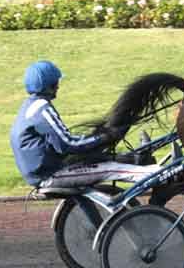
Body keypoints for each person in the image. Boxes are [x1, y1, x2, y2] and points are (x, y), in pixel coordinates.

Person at [10, 60, 161, 189]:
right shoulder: (42, 109)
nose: (58, 86)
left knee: (100, 158)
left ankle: (139, 159)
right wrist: (103, 137)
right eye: (56, 83)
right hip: (50, 175)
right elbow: (68, 144)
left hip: (44, 170)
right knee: (110, 169)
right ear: (49, 85)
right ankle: (161, 173)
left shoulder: (29, 106)